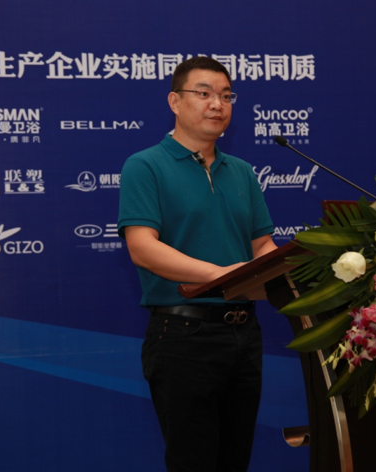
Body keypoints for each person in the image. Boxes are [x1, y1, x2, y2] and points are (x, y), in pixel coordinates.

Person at [117, 56, 277, 472]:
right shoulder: (145, 165)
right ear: (175, 101)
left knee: (234, 461)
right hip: (183, 335)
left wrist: (293, 272)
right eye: (203, 93)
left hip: (244, 333)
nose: (217, 104)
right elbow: (142, 248)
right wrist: (220, 276)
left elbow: (262, 245)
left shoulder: (241, 171)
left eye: (226, 95)